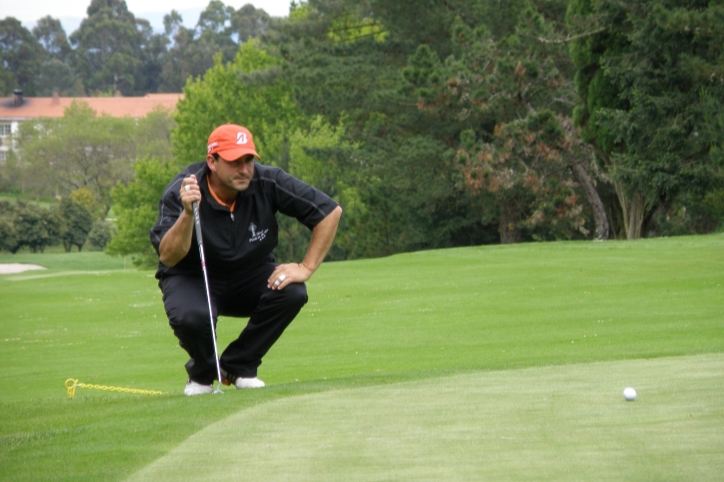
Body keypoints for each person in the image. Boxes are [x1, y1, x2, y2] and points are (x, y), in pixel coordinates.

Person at [150, 124, 342, 396]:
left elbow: (329, 212)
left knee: (293, 291)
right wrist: (187, 214)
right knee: (194, 316)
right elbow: (169, 256)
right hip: (193, 276)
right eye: (234, 162)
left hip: (250, 274)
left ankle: (239, 365)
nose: (244, 169)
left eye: (249, 160)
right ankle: (203, 375)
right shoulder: (182, 190)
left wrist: (306, 267)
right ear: (212, 162)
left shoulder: (266, 182)